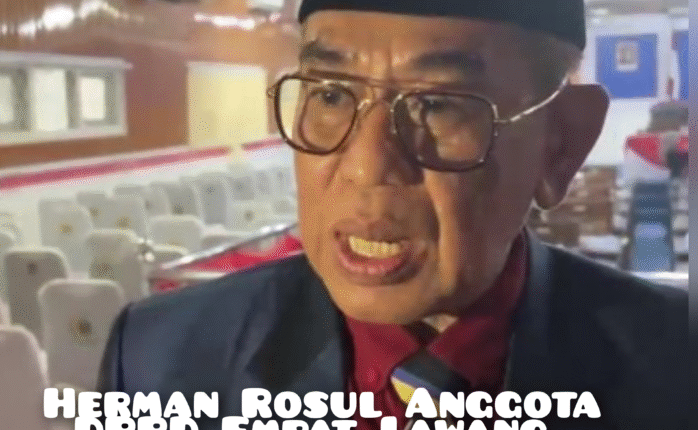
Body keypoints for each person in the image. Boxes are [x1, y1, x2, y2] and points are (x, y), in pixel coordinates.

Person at [98, 1, 688, 429]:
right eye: (331, 95)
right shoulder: (160, 359)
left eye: (438, 104)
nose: (367, 165)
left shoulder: (678, 363)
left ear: (560, 144)